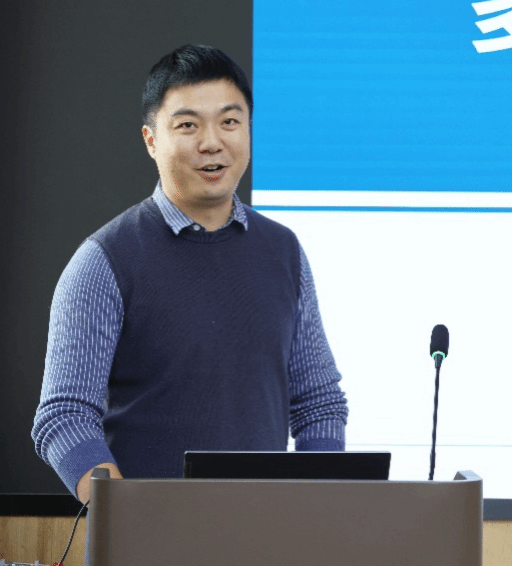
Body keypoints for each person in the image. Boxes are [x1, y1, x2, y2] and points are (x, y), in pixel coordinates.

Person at [31, 44, 349, 510]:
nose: (212, 142)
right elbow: (64, 416)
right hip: (147, 534)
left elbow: (318, 402)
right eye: (188, 125)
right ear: (151, 140)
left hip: (267, 532)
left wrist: (317, 509)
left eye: (229, 121)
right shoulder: (104, 260)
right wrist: (124, 513)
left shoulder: (284, 251)